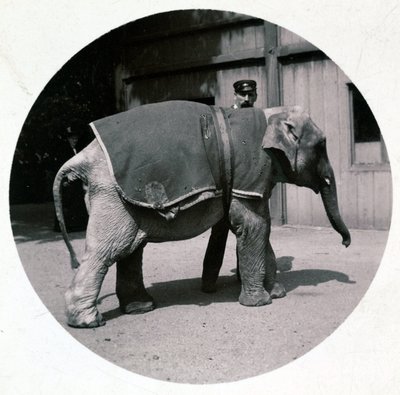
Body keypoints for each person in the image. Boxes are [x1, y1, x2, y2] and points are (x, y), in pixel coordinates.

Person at [201, 79, 258, 292]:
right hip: (226, 187)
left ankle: (244, 276)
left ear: (256, 95)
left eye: (251, 95)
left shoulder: (257, 118)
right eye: (243, 95)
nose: (247, 99)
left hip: (247, 186)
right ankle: (208, 281)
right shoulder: (224, 117)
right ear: (235, 95)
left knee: (247, 234)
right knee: (219, 233)